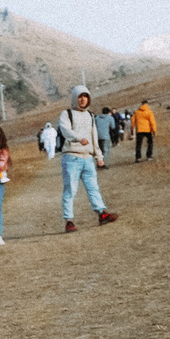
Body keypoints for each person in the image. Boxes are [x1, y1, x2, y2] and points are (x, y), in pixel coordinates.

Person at [54, 89, 116, 232]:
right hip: (72, 157)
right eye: (80, 96)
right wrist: (77, 138)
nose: (82, 99)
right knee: (70, 189)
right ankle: (68, 220)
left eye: (85, 97)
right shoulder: (66, 114)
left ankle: (102, 213)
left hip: (87, 158)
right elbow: (65, 130)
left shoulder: (90, 116)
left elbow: (94, 137)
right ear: (75, 98)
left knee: (93, 187)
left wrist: (99, 156)